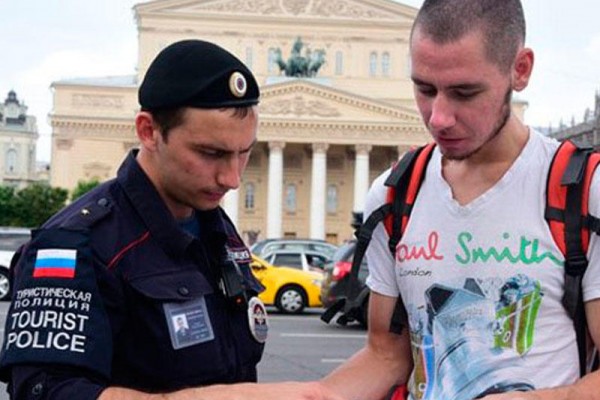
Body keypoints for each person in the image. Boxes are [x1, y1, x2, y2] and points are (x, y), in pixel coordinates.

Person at [0, 39, 342, 400]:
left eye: (245, 153)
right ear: (149, 131)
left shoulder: (215, 226)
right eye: (211, 153)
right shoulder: (74, 244)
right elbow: (46, 391)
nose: (232, 178)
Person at [318, 1, 600, 399]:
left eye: (464, 93)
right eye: (424, 89)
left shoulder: (583, 190)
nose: (438, 118)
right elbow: (385, 356)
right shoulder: (396, 193)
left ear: (520, 70)